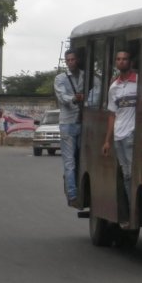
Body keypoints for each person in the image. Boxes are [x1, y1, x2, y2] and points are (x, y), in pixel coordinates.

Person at [102, 50, 138, 209]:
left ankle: (134, 208)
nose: (122, 62)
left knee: (132, 172)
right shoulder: (113, 87)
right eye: (118, 59)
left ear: (130, 62)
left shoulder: (139, 82)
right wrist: (107, 141)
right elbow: (112, 115)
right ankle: (131, 207)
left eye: (125, 59)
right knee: (126, 174)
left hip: (132, 133)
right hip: (118, 136)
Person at [54, 49, 85, 207]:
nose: (71, 62)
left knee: (82, 159)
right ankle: (72, 195)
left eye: (73, 59)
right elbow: (62, 97)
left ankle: (80, 189)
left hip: (83, 123)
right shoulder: (60, 78)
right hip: (67, 123)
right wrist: (75, 98)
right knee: (69, 162)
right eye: (68, 60)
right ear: (66, 61)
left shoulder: (85, 76)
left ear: (77, 60)